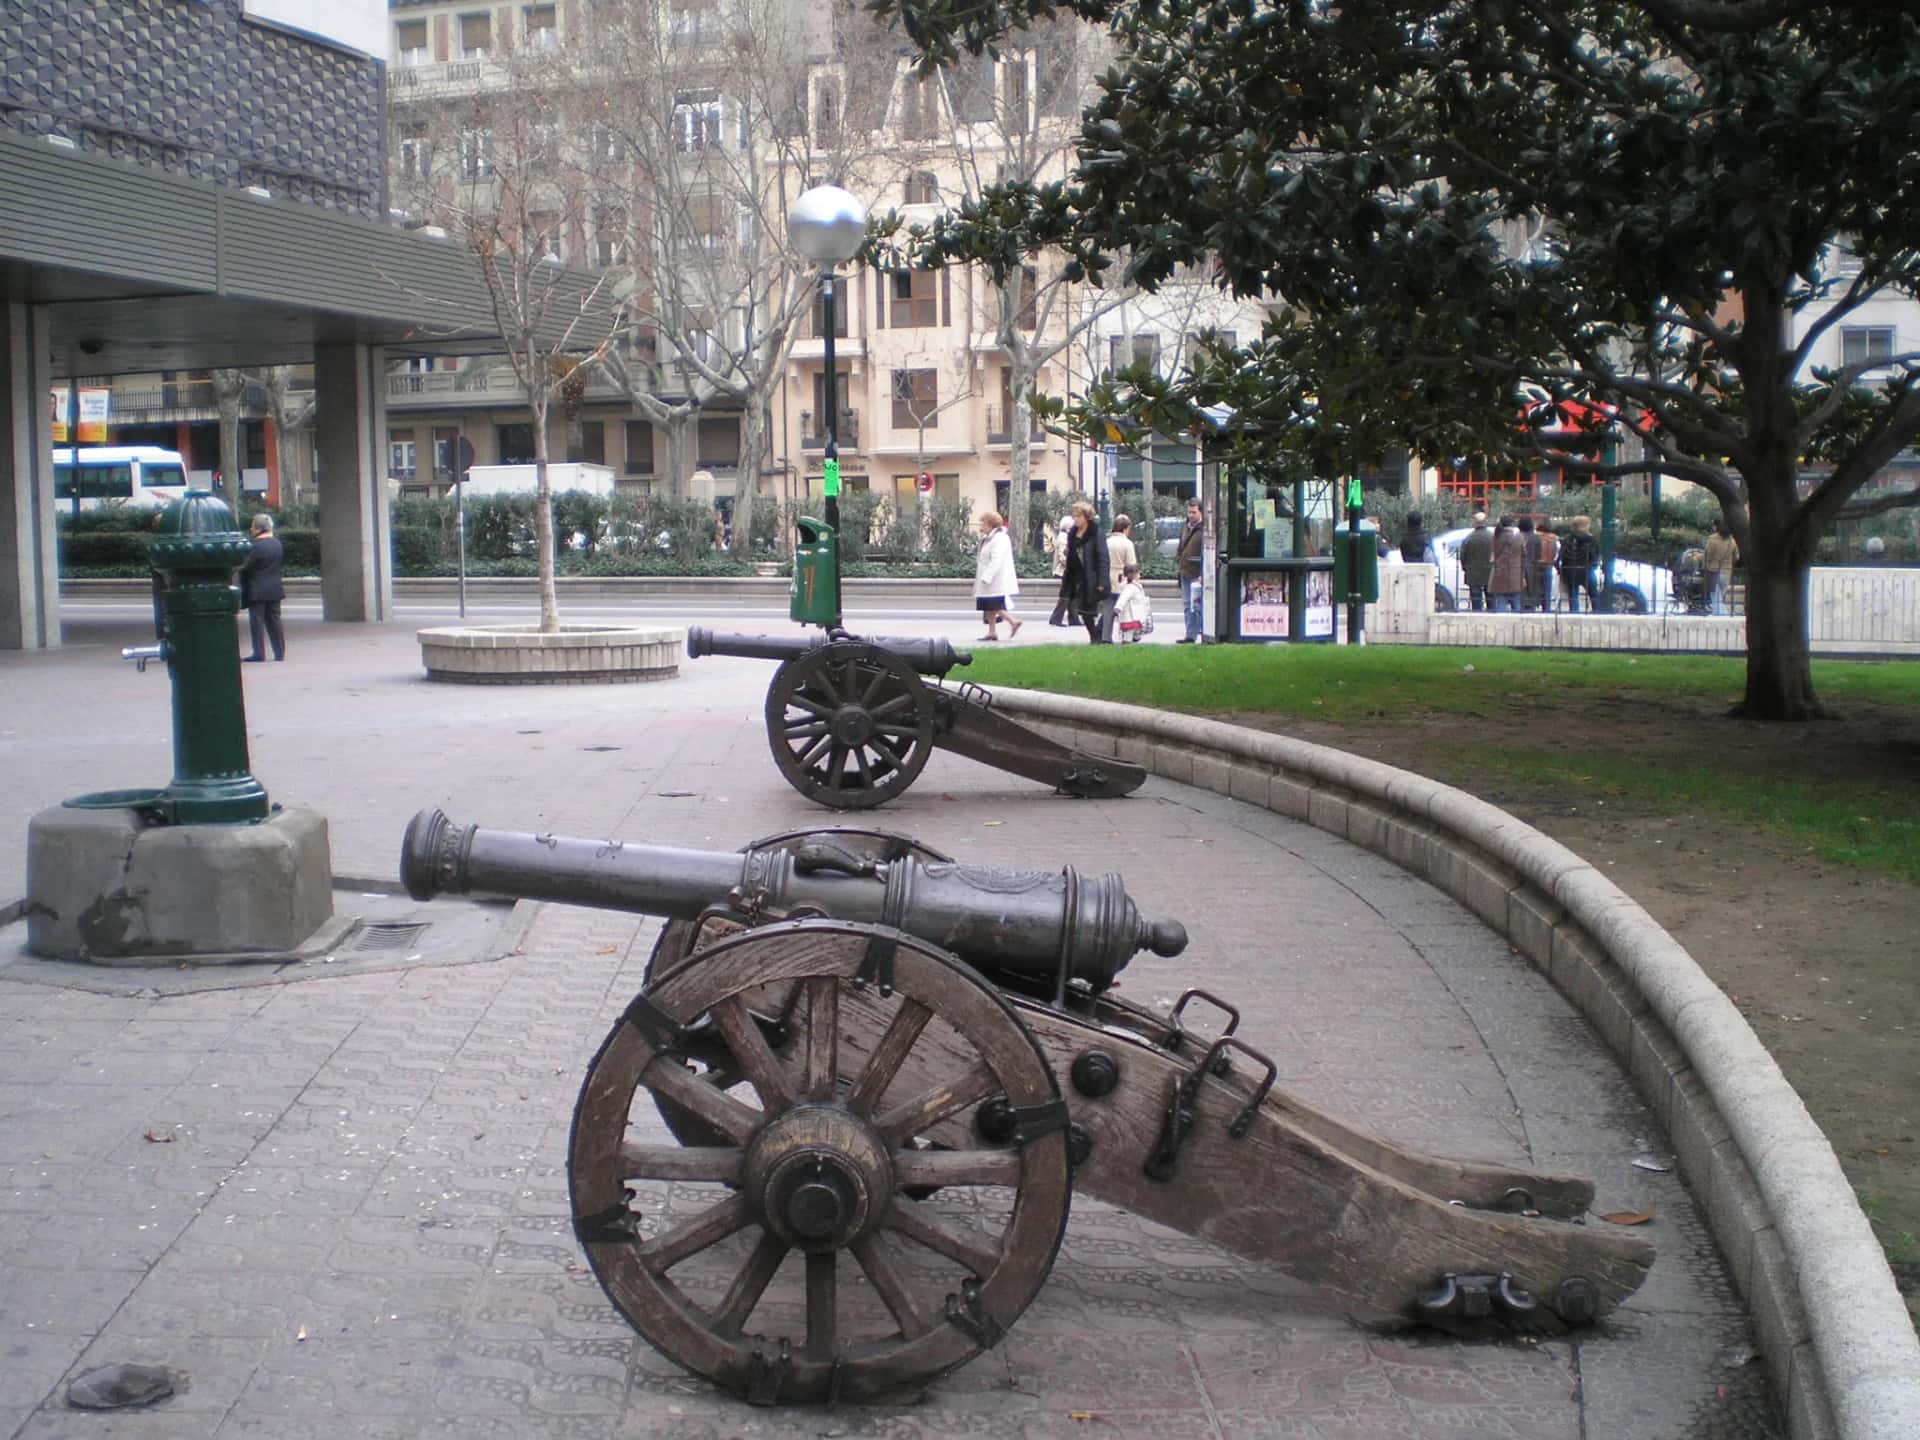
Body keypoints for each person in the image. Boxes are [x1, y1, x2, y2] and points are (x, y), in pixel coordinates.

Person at [1060, 501, 1112, 643]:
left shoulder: (1096, 532)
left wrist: (1102, 580)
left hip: (1092, 575)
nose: (1075, 519)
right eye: (1074, 516)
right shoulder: (1073, 533)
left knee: (1095, 608)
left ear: (1086, 517)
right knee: (1083, 610)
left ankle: (1097, 636)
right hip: (1076, 575)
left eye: (1078, 516)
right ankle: (1095, 637)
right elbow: (1073, 552)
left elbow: (1103, 557)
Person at [238, 512, 286, 662]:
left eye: (252, 526)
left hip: (257, 589)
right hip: (275, 588)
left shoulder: (253, 547)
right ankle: (279, 652)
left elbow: (245, 567)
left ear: (258, 528)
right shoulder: (277, 544)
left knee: (257, 622)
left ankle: (259, 653)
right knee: (275, 621)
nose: (251, 529)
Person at [972, 510, 1022, 641]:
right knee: (989, 605)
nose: (981, 526)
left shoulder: (999, 538)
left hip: (995, 579)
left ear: (990, 524)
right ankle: (992, 631)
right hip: (989, 579)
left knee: (993, 604)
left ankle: (1013, 621)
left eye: (983, 523)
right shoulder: (988, 538)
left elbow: (997, 559)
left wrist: (987, 576)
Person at [1102, 514, 1139, 642]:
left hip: (1107, 578)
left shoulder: (1107, 542)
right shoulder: (1127, 544)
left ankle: (1105, 637)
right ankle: (1129, 636)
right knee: (1127, 610)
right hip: (1122, 580)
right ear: (1125, 528)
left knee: (1108, 610)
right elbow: (1131, 566)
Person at [1175, 498, 1207, 642]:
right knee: (1188, 605)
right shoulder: (1186, 527)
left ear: (1201, 512)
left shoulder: (1205, 529)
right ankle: (1190, 635)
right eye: (1189, 512)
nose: (1191, 515)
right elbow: (1181, 546)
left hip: (1197, 573)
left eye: (1194, 512)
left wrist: (1202, 573)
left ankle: (1199, 632)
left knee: (1197, 605)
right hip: (1186, 571)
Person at [1559, 514, 1600, 612]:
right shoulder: (1591, 539)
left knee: (1573, 596)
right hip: (1586, 569)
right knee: (1594, 594)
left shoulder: (1568, 539)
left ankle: (1574, 613)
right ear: (1586, 525)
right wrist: (1594, 564)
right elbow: (1595, 555)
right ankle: (1597, 611)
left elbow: (1562, 555)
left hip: (1571, 570)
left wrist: (1563, 570)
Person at [1489, 514, 1526, 612]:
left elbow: (1494, 554)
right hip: (1516, 573)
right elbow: (1524, 554)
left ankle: (1500, 624)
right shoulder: (1519, 537)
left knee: (1501, 600)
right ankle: (1517, 624)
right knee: (1516, 601)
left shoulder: (1496, 537)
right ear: (1512, 524)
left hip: (1500, 573)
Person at [1703, 519, 1738, 615]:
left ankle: (1720, 614)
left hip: (1713, 571)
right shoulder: (1732, 540)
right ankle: (1720, 614)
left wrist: (1705, 565)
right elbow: (1737, 556)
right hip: (1727, 571)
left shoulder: (1712, 539)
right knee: (1720, 597)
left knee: (1714, 596)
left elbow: (1707, 555)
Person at [1460, 511, 1493, 611]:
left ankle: (1477, 616)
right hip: (1490, 571)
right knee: (1491, 599)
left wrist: (1465, 568)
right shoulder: (1492, 537)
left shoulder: (1469, 538)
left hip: (1473, 573)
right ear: (1485, 522)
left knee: (1476, 601)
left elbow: (1463, 556)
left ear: (1475, 523)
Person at [1047, 510, 1076, 625]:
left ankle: (1072, 618)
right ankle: (1056, 618)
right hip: (1065, 570)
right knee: (1066, 595)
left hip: (1067, 569)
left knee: (1071, 595)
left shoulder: (1064, 536)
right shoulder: (1063, 537)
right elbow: (1063, 556)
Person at [1113, 563, 1152, 641]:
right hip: (1130, 615)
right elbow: (1123, 598)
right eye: (1137, 572)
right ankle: (1127, 646)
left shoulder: (1133, 586)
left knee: (1132, 632)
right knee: (1128, 633)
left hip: (1134, 614)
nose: (1139, 574)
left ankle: (1132, 641)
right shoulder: (1130, 587)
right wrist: (1118, 607)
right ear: (1131, 574)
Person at [1534, 522, 1559, 613]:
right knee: (1547, 589)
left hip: (1536, 565)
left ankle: (1533, 605)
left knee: (1534, 587)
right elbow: (1557, 553)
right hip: (1548, 565)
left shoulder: (1535, 537)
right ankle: (1546, 609)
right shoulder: (1554, 539)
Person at [1517, 515, 1540, 610]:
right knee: (1532, 591)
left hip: (1518, 567)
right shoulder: (1536, 538)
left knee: (1520, 593)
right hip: (1533, 567)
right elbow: (1539, 554)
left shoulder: (1516, 537)